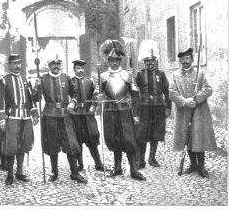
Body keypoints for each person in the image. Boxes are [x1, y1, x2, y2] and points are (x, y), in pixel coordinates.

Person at [32, 50, 87, 184]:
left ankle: (74, 173)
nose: (56, 66)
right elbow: (36, 98)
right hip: (50, 115)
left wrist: (73, 103)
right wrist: (36, 87)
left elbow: (75, 94)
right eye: (53, 64)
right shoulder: (43, 79)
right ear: (49, 65)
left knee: (71, 144)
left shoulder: (66, 78)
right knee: (52, 144)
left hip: (66, 115)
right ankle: (54, 172)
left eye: (58, 63)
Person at [99, 39, 146, 181]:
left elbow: (136, 96)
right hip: (109, 112)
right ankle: (117, 167)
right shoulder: (103, 77)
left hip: (125, 112)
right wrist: (99, 96)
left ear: (120, 60)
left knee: (128, 140)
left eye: (117, 60)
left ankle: (133, 169)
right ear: (108, 60)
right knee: (114, 139)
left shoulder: (127, 75)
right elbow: (98, 94)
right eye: (111, 60)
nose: (114, 63)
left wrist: (136, 114)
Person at [169, 48, 217, 178]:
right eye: (182, 59)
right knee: (187, 137)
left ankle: (201, 166)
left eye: (187, 58)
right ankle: (193, 164)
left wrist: (196, 99)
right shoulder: (174, 75)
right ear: (180, 61)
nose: (185, 61)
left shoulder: (200, 73)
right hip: (183, 111)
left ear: (192, 59)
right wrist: (185, 102)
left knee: (198, 136)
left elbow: (208, 88)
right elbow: (172, 92)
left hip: (199, 111)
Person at [0, 54, 39, 185]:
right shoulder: (4, 80)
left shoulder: (25, 79)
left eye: (19, 63)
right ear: (9, 65)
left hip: (25, 116)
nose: (17, 66)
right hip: (12, 117)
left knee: (24, 144)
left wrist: (35, 114)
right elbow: (0, 101)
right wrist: (2, 119)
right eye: (14, 63)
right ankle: (10, 174)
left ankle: (20, 172)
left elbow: (31, 99)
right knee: (11, 146)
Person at [135, 40, 171, 169]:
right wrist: (136, 112)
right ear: (144, 62)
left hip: (158, 108)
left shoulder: (161, 75)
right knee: (142, 133)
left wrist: (168, 108)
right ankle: (140, 160)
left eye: (152, 61)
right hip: (144, 108)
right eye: (147, 61)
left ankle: (152, 158)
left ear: (155, 61)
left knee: (156, 133)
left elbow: (168, 92)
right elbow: (134, 93)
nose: (150, 63)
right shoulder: (139, 75)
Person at [70, 59, 104, 171]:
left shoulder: (89, 82)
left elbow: (95, 95)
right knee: (78, 140)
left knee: (92, 138)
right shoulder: (71, 82)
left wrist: (94, 105)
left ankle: (98, 163)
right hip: (76, 115)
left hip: (88, 114)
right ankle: (80, 164)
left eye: (82, 68)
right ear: (74, 69)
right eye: (78, 68)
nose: (81, 70)